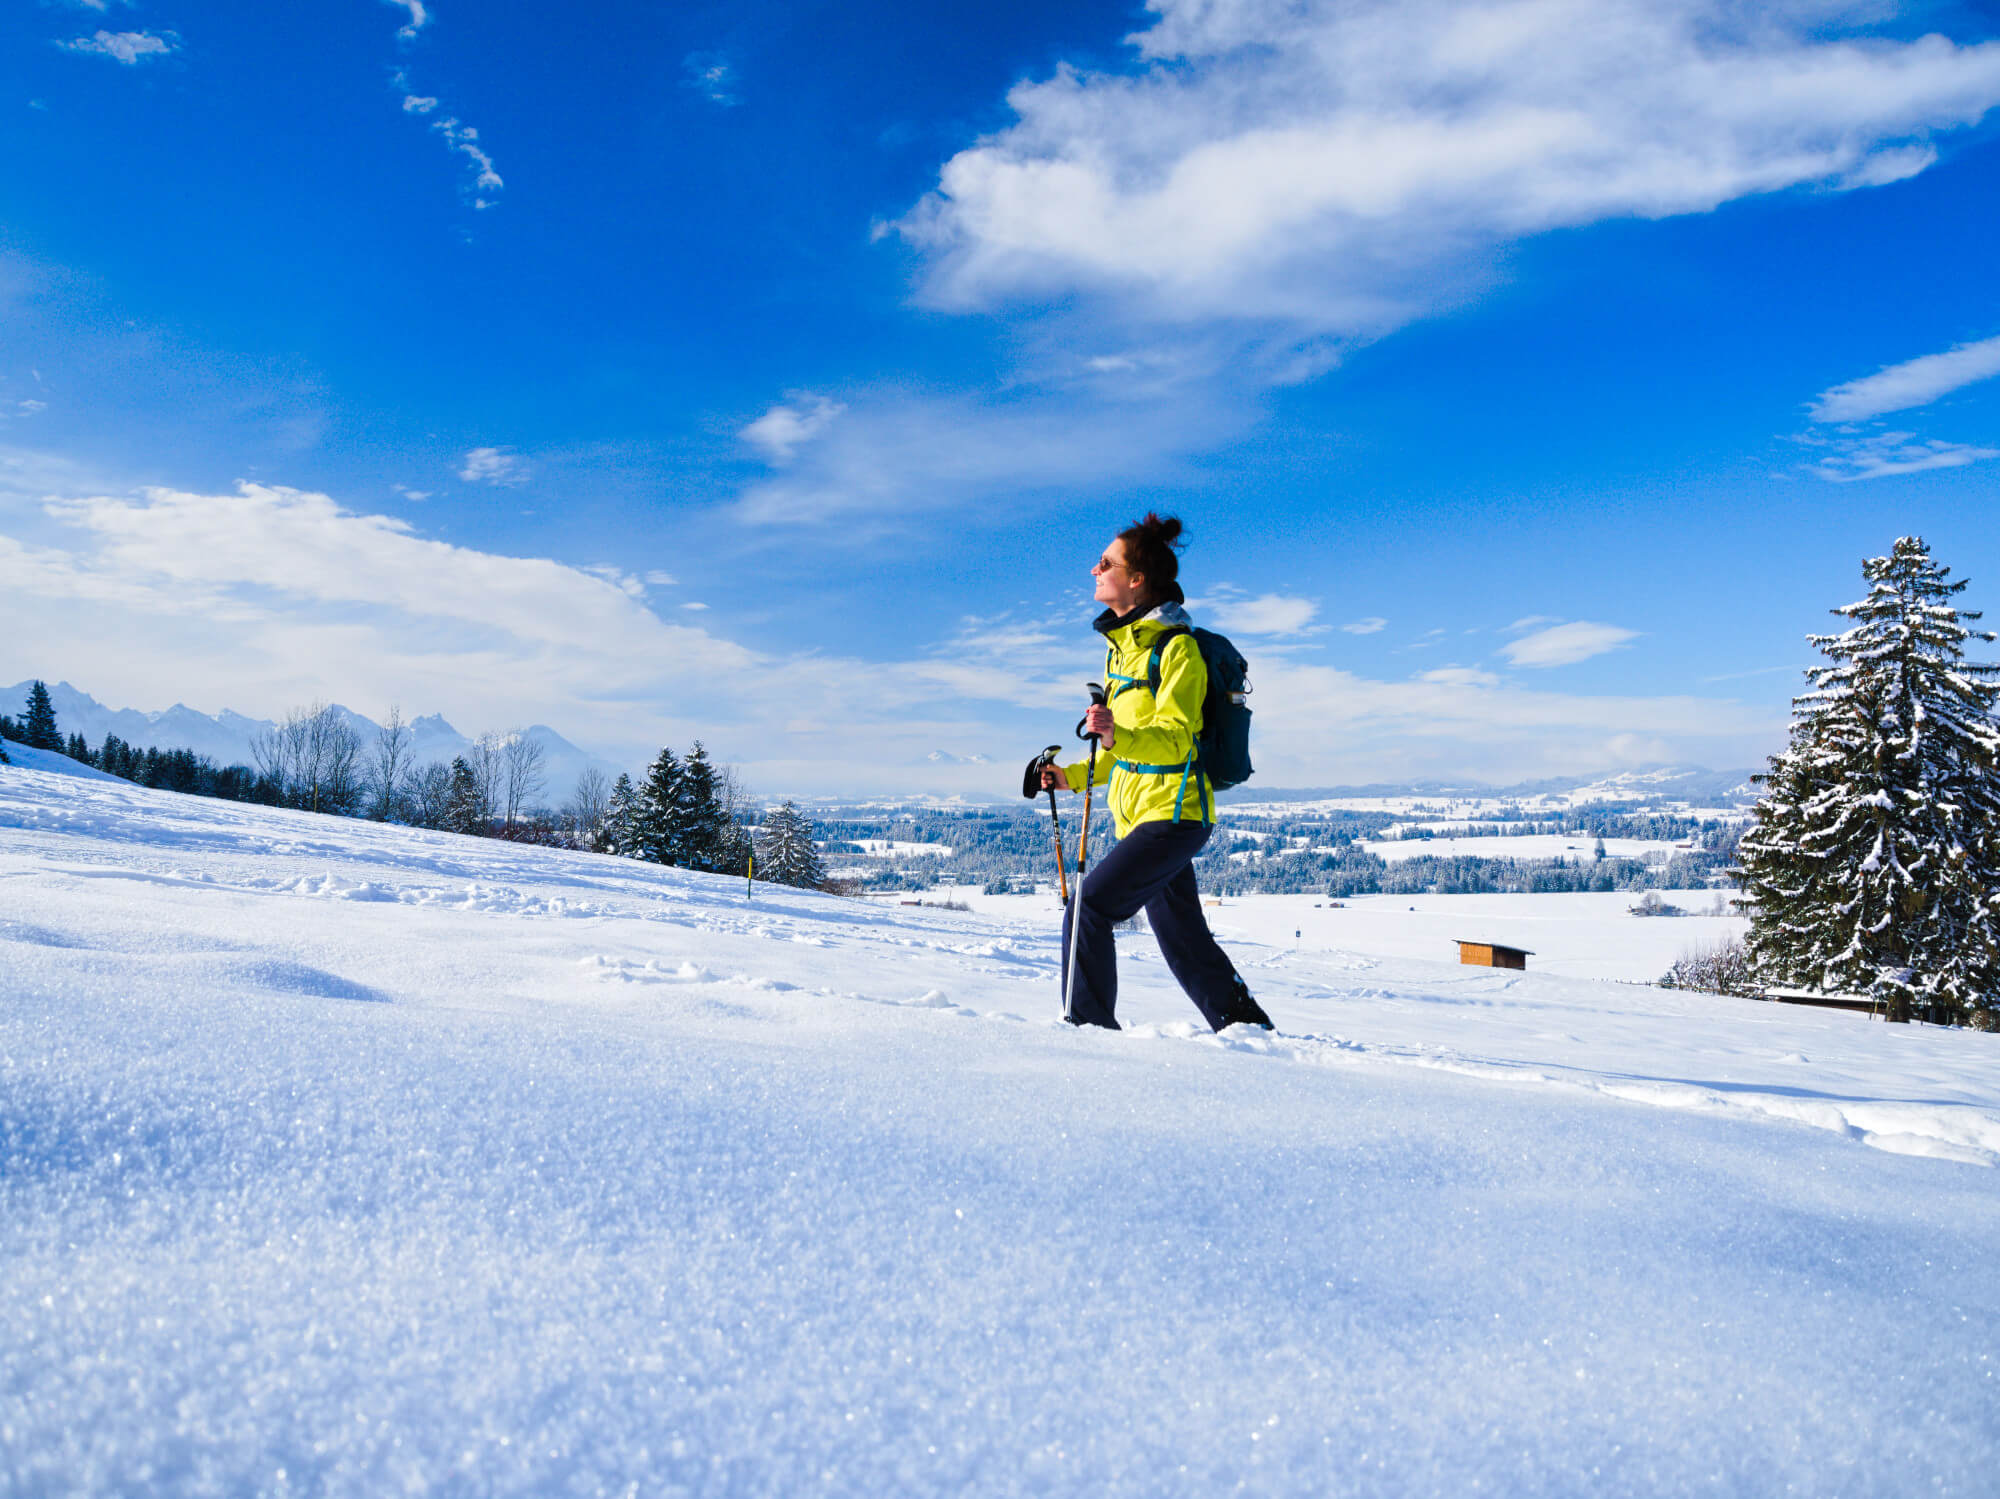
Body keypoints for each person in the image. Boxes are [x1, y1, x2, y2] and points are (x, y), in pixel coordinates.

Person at [1041, 513, 1273, 1033]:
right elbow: (1122, 751)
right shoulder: (1124, 652)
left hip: (1174, 815)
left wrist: (1116, 733)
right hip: (1144, 814)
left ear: (1137, 578)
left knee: (1088, 911)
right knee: (1183, 938)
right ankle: (1249, 1033)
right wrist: (1070, 778)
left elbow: (1174, 738)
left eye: (1106, 563)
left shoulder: (1177, 649)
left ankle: (1088, 1032)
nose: (1094, 569)